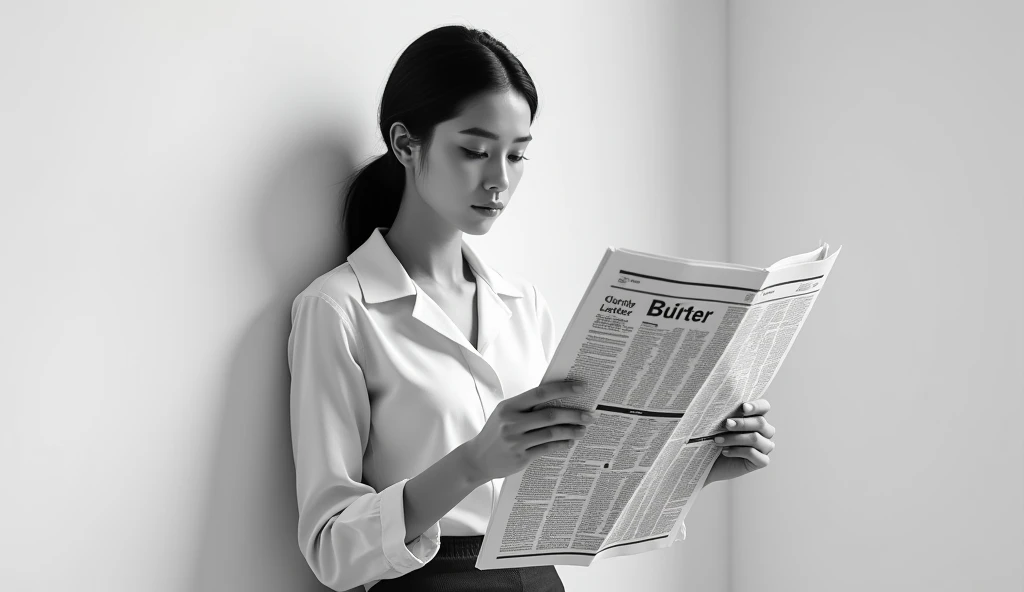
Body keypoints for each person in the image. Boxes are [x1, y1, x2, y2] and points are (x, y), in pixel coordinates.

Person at [286, 24, 776, 592]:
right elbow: (331, 550)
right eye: (474, 151)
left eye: (517, 155)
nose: (499, 180)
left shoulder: (524, 305)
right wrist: (471, 463)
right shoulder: (338, 308)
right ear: (404, 144)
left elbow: (567, 499)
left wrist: (697, 465)